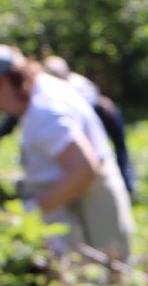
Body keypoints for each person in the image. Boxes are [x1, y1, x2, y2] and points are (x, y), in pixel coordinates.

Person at [0, 44, 134, 260]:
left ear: (2, 83)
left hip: (89, 202)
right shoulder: (44, 86)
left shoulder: (44, 112)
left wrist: (32, 211)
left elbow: (84, 168)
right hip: (87, 196)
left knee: (106, 274)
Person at [45, 53, 137, 197]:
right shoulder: (63, 87)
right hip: (102, 117)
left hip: (107, 118)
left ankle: (127, 187)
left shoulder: (71, 87)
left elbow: (86, 113)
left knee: (115, 154)